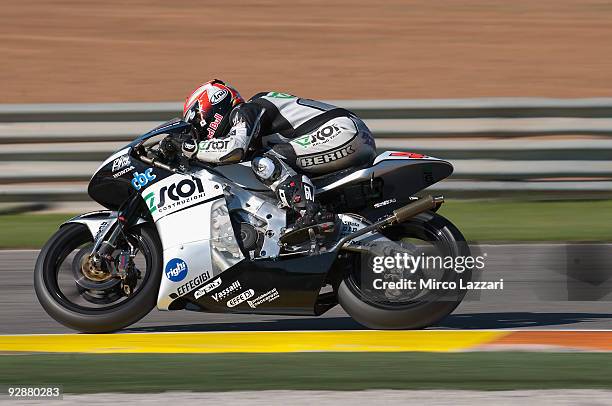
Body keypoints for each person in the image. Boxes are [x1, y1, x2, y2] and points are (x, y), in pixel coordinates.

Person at [176, 79, 377, 238]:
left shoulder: (246, 110)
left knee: (264, 162)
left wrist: (190, 148)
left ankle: (312, 213)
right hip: (347, 135)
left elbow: (233, 148)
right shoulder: (252, 118)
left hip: (342, 131)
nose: (198, 132)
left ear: (211, 108)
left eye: (196, 122)